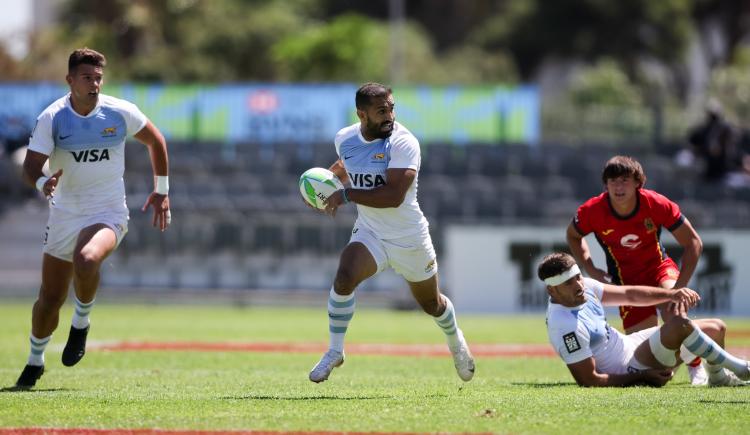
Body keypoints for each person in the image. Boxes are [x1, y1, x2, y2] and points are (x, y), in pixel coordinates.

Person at [14, 48, 171, 389]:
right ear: (70, 80)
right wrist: (43, 182)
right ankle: (35, 360)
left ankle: (81, 323)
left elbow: (156, 140)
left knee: (86, 260)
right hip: (64, 214)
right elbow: (29, 167)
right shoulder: (53, 118)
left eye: (98, 77)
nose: (94, 84)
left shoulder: (119, 112)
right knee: (49, 300)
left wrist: (162, 191)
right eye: (87, 78)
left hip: (108, 211)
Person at [306, 82, 474, 383]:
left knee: (431, 304)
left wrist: (344, 195)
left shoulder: (404, 143)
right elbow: (347, 162)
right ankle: (335, 350)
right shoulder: (344, 138)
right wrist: (326, 184)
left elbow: (394, 195)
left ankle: (456, 342)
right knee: (344, 277)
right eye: (381, 110)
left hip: (409, 237)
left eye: (392, 108)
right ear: (362, 114)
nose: (389, 116)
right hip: (371, 232)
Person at [565, 155, 707, 384]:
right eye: (613, 181)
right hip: (625, 283)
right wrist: (590, 268)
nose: (618, 187)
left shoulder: (656, 203)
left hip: (659, 269)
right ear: (606, 184)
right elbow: (573, 235)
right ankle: (676, 362)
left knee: (674, 315)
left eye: (624, 180)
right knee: (645, 354)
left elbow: (694, 243)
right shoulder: (592, 210)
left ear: (638, 183)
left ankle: (696, 366)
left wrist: (678, 290)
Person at [540, 252, 749, 387]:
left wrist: (672, 294)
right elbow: (589, 379)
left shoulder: (584, 286)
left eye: (577, 277)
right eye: (568, 283)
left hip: (631, 344)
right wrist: (642, 377)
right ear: (552, 289)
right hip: (630, 367)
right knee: (678, 324)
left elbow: (630, 294)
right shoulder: (564, 326)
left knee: (716, 327)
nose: (578, 284)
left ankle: (718, 378)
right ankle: (742, 369)